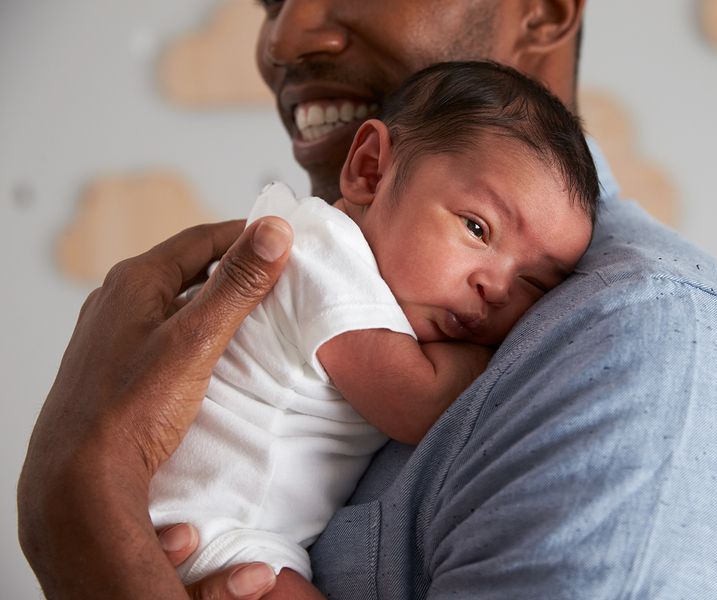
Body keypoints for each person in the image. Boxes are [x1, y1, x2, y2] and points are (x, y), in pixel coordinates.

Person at [17, 1, 717, 599]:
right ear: (371, 171)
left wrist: (85, 520)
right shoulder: (345, 269)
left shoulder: (654, 358)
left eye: (537, 284)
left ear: (544, 12)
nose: (285, 34)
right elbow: (410, 395)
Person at [148, 60, 598, 593]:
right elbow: (419, 403)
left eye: (536, 284)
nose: (497, 289)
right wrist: (500, 355)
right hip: (206, 526)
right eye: (477, 228)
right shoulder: (323, 257)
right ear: (370, 171)